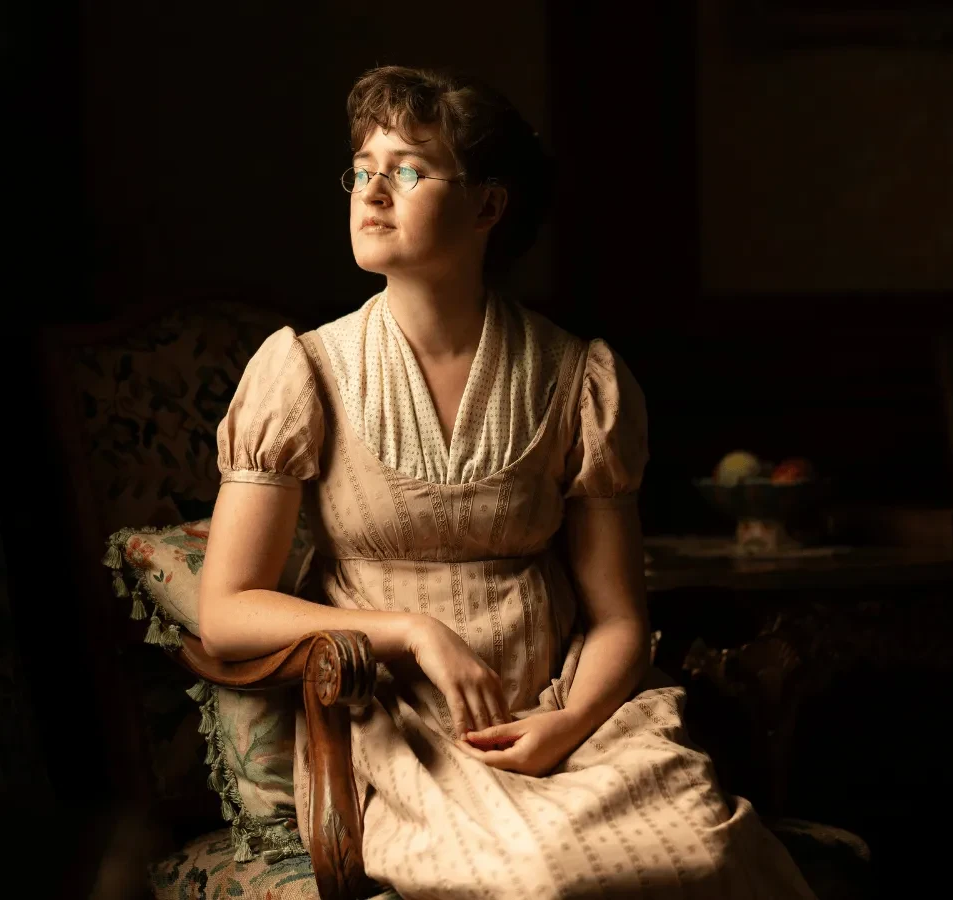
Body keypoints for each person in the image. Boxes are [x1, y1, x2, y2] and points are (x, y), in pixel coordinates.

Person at [197, 65, 813, 898]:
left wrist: (568, 724)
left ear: (490, 205)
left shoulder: (579, 377)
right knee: (544, 876)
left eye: (408, 170)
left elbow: (620, 620)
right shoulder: (303, 370)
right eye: (363, 169)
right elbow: (228, 612)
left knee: (712, 855)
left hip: (575, 717)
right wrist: (412, 628)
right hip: (400, 734)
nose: (372, 193)